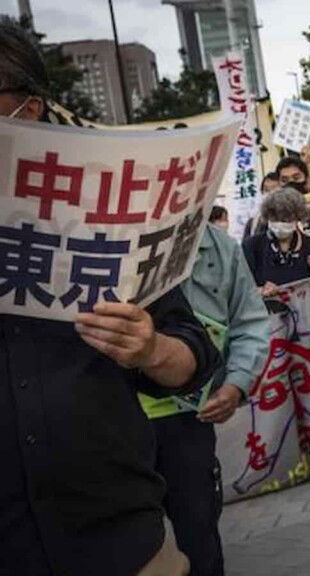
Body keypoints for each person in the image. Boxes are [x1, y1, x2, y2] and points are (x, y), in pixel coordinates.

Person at [0, 17, 221, 576]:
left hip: (123, 542)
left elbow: (192, 355)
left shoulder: (107, 219)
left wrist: (150, 350)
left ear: (31, 111)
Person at [138, 223, 270, 576]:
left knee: (198, 535)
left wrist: (236, 384)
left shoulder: (220, 247)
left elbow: (250, 323)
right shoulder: (108, 242)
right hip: (116, 424)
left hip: (189, 421)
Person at [243, 188, 310, 297]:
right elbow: (241, 288)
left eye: (286, 218)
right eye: (274, 217)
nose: (280, 223)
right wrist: (260, 291)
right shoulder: (252, 246)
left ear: (298, 217)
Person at [243, 172, 281, 240]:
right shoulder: (253, 222)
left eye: (274, 189)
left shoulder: (289, 219)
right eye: (266, 190)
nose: (270, 193)